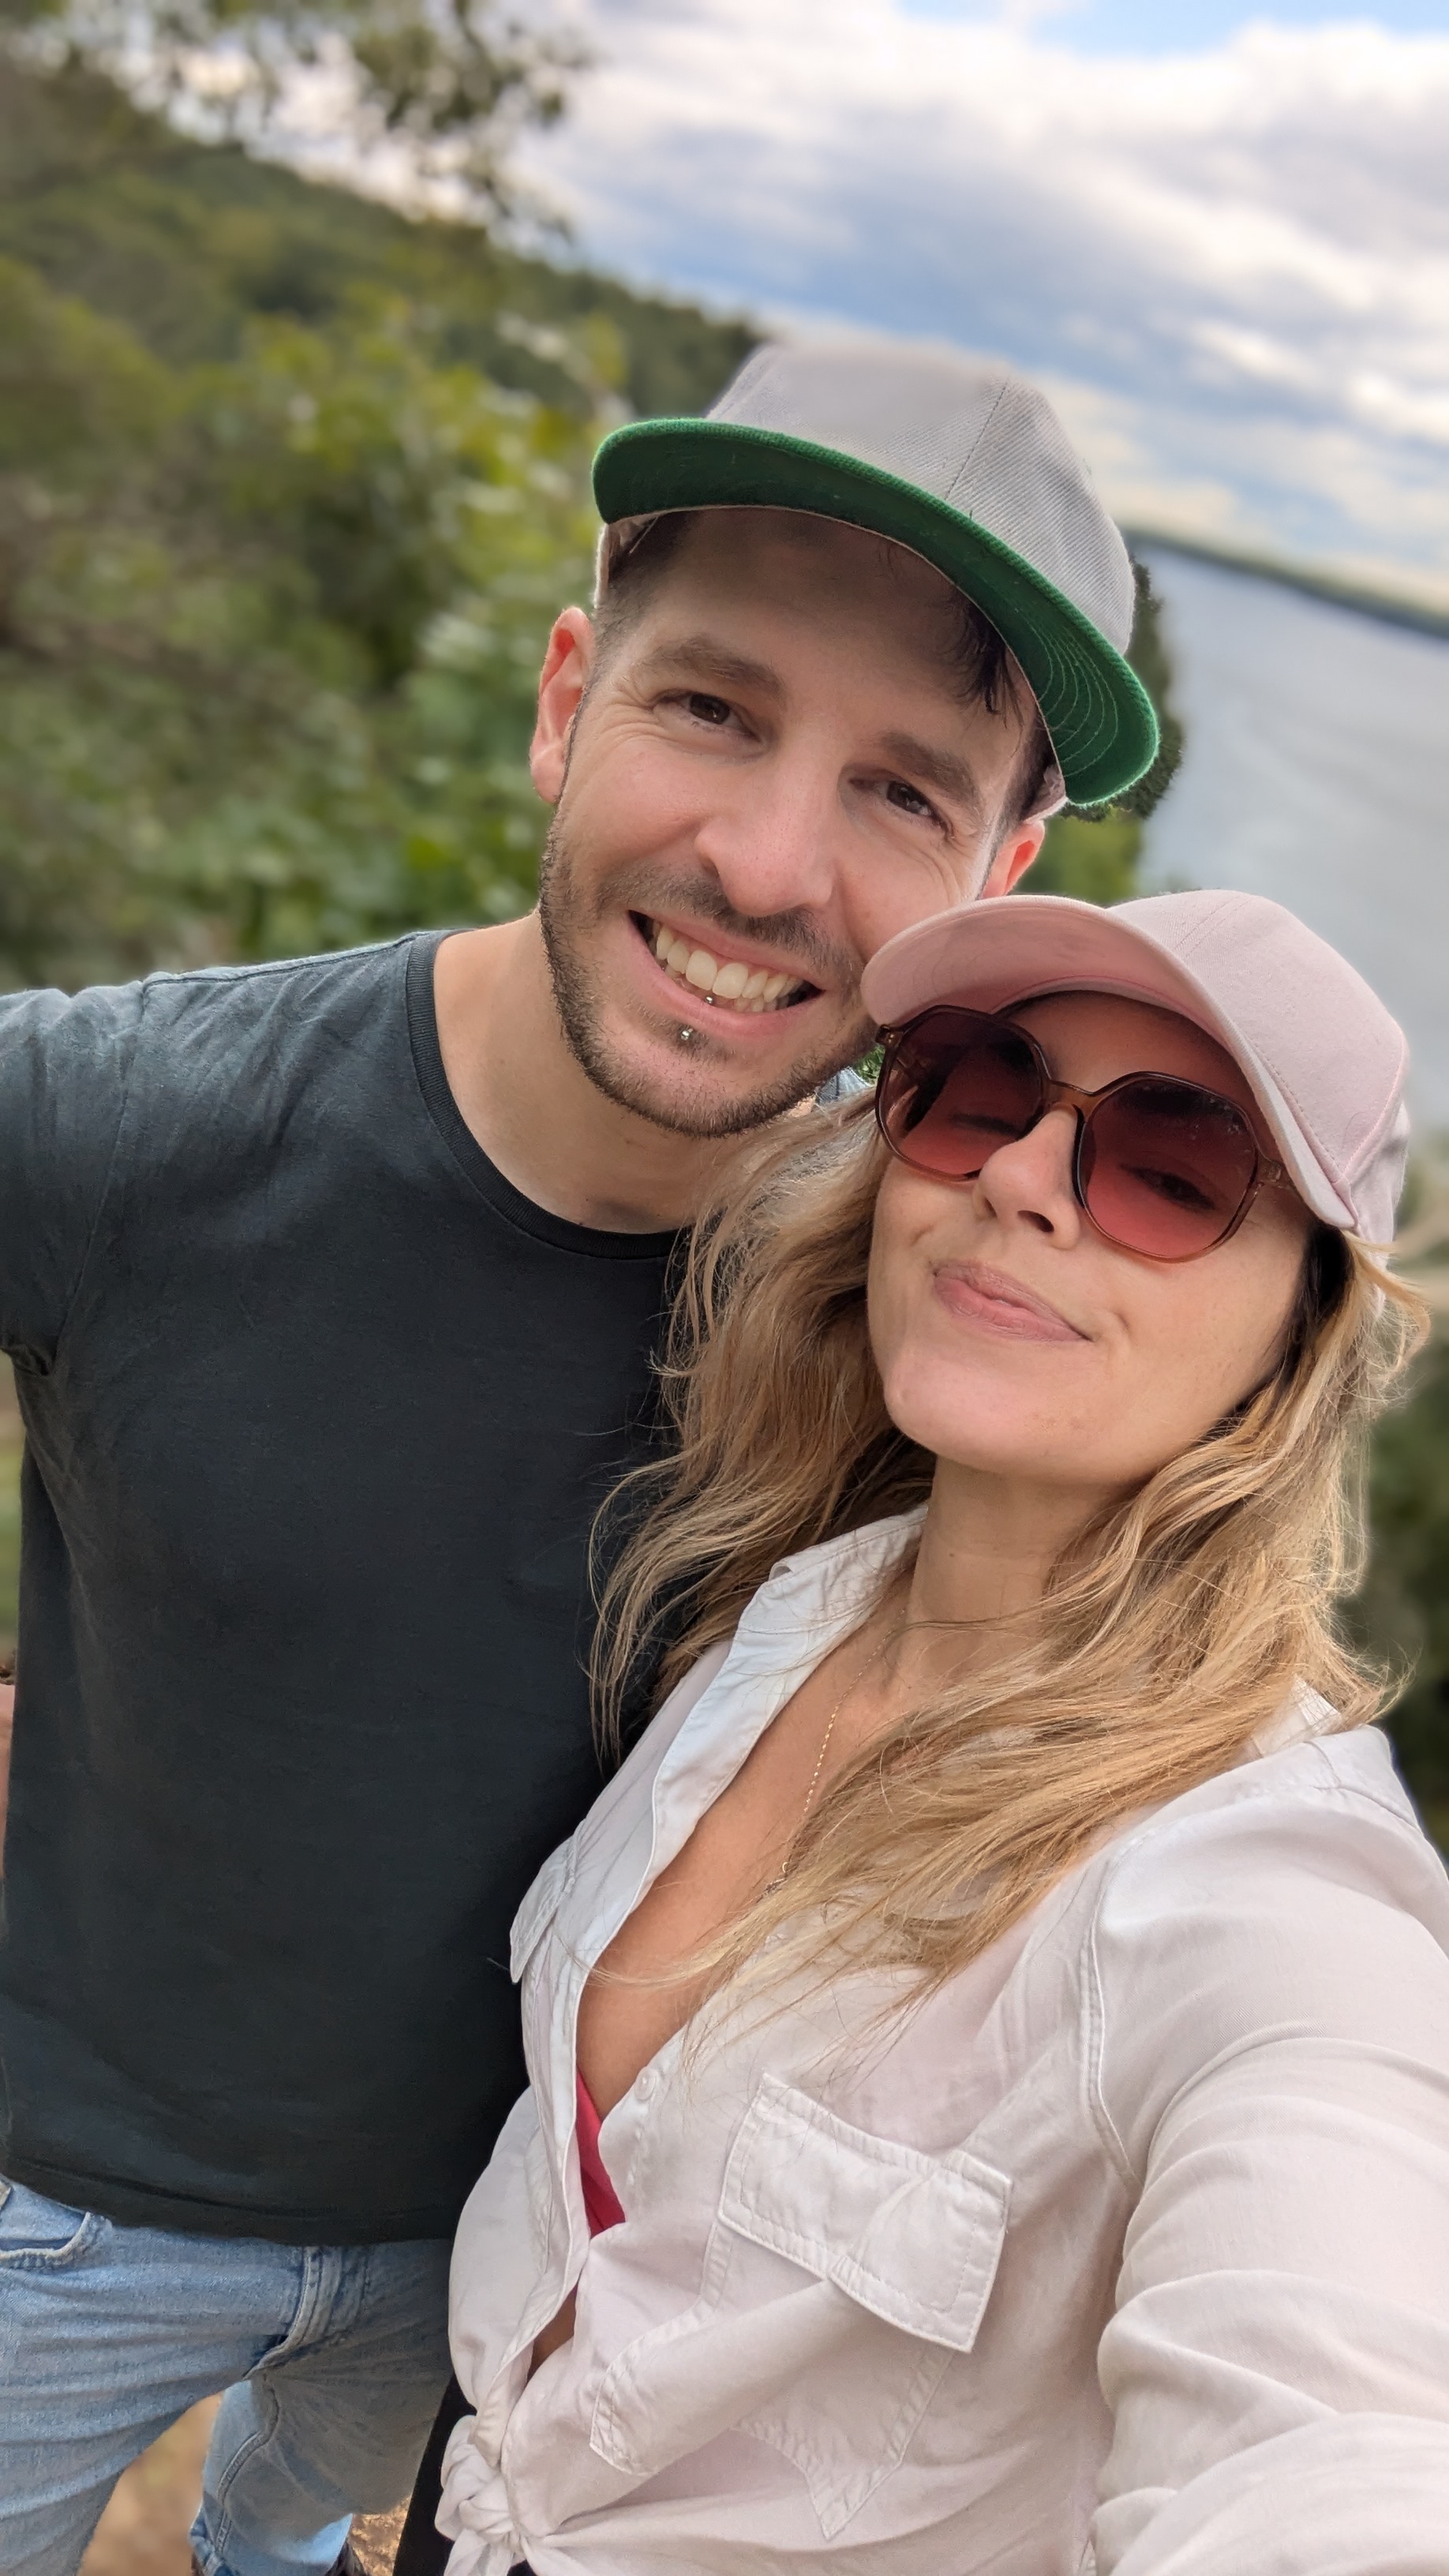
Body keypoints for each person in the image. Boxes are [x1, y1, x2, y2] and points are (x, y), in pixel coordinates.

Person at [0, 340, 1157, 2576]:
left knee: (282, 2540)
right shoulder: (136, 1128)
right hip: (55, 2197)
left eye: (901, 794)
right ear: (564, 702)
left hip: (504, 2259)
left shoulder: (923, 1335)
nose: (761, 860)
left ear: (999, 879)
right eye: (711, 709)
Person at [437, 889, 1449, 2576]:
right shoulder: (778, 1613)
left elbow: (1338, 2430)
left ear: (1298, 1339)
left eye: (1173, 1169)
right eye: (983, 1087)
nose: (1021, 1179)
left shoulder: (1260, 1888)